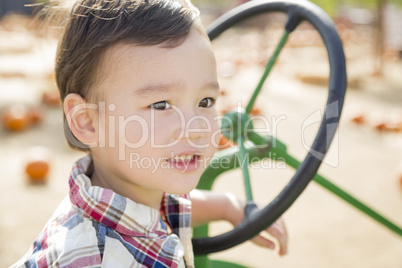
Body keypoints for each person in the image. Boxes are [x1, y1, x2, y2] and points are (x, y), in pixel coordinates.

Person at [12, 0, 287, 267]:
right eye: (160, 105)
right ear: (89, 123)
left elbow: (163, 209)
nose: (197, 128)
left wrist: (227, 206)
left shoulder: (125, 190)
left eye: (205, 102)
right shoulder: (98, 258)